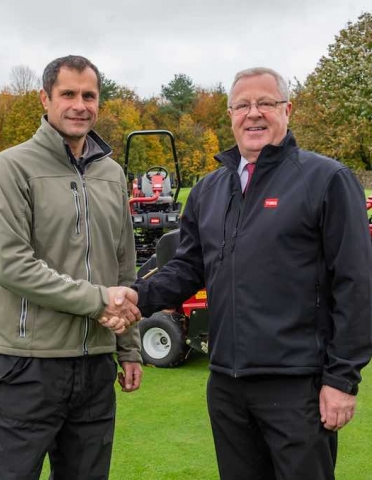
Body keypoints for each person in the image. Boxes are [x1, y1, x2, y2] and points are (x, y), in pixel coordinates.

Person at [130, 67, 372, 479]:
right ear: (230, 115)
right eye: (243, 105)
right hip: (226, 383)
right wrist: (136, 297)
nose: (253, 113)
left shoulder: (326, 179)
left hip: (297, 385)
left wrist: (342, 379)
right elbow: (188, 268)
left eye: (266, 103)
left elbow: (356, 284)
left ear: (287, 110)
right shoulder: (209, 189)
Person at [0, 54, 143, 480]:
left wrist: (128, 347)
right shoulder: (12, 167)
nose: (80, 105)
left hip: (95, 366)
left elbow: (123, 267)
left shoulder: (112, 173)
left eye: (89, 95)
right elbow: (12, 266)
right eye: (68, 94)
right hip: (29, 364)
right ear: (45, 98)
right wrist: (96, 301)